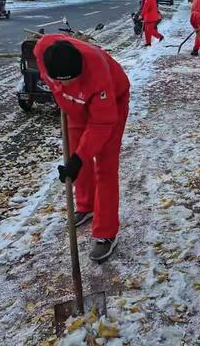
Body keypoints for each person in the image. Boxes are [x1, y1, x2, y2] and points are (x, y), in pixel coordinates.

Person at [34, 35, 130, 262]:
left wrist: (80, 157)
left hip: (110, 107)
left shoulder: (98, 71)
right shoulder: (42, 51)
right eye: (62, 82)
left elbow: (101, 124)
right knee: (77, 160)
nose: (66, 85)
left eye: (71, 80)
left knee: (104, 167)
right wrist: (76, 159)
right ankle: (86, 205)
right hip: (74, 107)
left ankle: (106, 233)